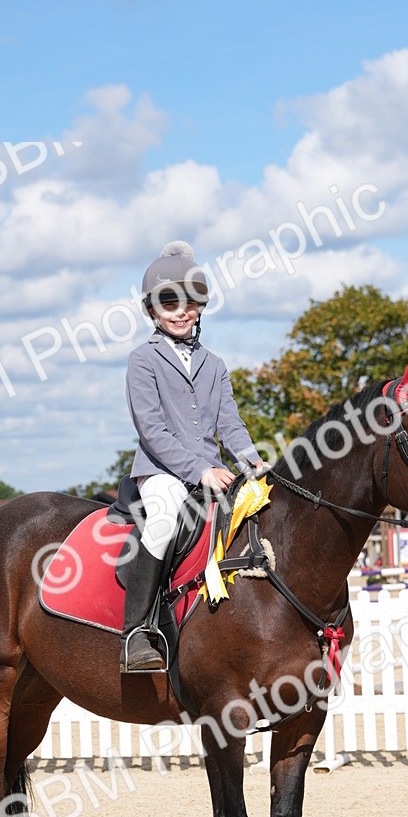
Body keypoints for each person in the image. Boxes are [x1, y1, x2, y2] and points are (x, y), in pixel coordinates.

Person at [121, 241, 263, 673]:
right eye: (169, 303)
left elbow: (230, 425)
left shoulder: (215, 364)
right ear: (152, 310)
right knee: (164, 518)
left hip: (213, 472)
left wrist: (253, 463)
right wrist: (200, 469)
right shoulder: (143, 360)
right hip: (161, 472)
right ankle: (137, 632)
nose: (181, 312)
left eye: (190, 302)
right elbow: (152, 431)